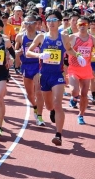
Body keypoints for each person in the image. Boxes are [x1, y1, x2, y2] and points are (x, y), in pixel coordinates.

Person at [26, 9, 78, 146]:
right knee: (49, 105)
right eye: (48, 20)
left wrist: (78, 56)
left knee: (57, 103)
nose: (51, 23)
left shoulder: (63, 37)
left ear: (59, 22)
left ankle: (58, 135)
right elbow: (29, 52)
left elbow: (69, 49)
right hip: (44, 75)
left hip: (57, 75)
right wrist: (39, 55)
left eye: (54, 20)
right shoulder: (41, 37)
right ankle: (52, 111)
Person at [67, 15, 95, 124]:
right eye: (80, 24)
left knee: (84, 94)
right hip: (74, 68)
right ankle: (73, 97)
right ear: (77, 25)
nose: (82, 26)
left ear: (88, 26)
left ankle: (81, 115)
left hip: (86, 69)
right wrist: (77, 55)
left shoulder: (93, 39)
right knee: (74, 90)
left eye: (84, 24)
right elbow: (68, 51)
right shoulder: (73, 37)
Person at [14, 13, 44, 125]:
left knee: (39, 92)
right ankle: (35, 106)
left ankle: (40, 117)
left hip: (38, 65)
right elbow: (15, 51)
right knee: (29, 94)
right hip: (26, 66)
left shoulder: (41, 36)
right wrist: (17, 54)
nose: (28, 25)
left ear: (36, 24)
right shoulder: (20, 36)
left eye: (31, 23)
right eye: (26, 23)